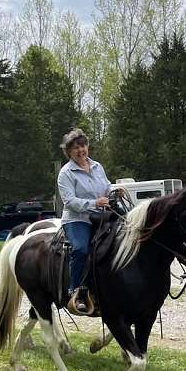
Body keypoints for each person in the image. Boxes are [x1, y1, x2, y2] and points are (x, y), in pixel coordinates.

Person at [57, 128, 112, 314]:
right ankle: (77, 291)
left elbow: (106, 187)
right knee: (81, 249)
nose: (81, 150)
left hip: (101, 216)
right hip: (77, 219)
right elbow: (70, 202)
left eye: (83, 146)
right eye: (75, 148)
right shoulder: (66, 173)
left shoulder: (97, 166)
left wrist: (114, 192)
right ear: (69, 152)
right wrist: (95, 203)